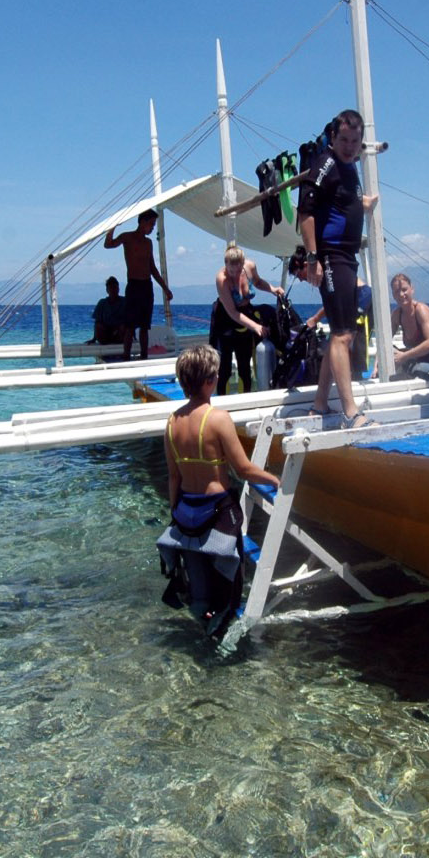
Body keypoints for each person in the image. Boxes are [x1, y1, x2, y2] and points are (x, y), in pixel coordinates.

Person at [157, 344, 281, 636]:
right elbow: (243, 470)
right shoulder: (218, 419)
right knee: (229, 578)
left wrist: (175, 514)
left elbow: (173, 477)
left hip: (186, 511)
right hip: (218, 512)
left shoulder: (172, 422)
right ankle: (224, 629)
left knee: (199, 585)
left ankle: (201, 623)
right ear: (209, 380)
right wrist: (275, 480)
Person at [298, 109, 378, 428]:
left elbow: (343, 204)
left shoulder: (349, 168)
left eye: (355, 141)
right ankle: (350, 411)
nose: (349, 146)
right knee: (343, 335)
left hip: (346, 256)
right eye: (343, 139)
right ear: (333, 137)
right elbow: (305, 212)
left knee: (340, 335)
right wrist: (314, 258)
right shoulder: (326, 164)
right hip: (331, 256)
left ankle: (319, 405)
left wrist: (364, 205)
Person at [210, 245, 280, 394]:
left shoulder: (250, 267)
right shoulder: (221, 279)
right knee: (225, 369)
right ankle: (223, 401)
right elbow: (233, 312)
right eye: (231, 271)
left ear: (243, 264)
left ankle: (246, 398)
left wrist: (272, 289)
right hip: (226, 318)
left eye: (237, 270)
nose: (234, 274)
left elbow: (258, 282)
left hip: (246, 315)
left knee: (244, 365)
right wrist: (255, 326)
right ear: (225, 265)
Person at [104, 208, 173, 360]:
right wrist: (113, 226)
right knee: (129, 326)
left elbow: (153, 269)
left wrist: (166, 289)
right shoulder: (127, 237)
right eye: (152, 224)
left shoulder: (148, 243)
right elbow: (108, 244)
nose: (153, 227)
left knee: (144, 326)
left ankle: (144, 356)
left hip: (146, 286)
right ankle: (126, 357)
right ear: (143, 222)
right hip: (133, 285)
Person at [388, 272, 429, 377]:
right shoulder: (396, 315)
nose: (401, 295)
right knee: (391, 353)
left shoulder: (421, 310)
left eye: (404, 290)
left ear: (412, 289)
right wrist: (376, 366)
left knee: (414, 369)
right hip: (416, 361)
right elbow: (384, 341)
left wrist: (404, 356)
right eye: (397, 291)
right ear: (393, 295)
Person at [90, 276, 128, 347]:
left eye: (115, 288)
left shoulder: (124, 302)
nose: (113, 290)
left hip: (119, 333)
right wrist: (94, 338)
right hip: (105, 333)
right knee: (98, 325)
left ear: (118, 289)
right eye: (111, 288)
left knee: (124, 326)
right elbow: (97, 322)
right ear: (107, 290)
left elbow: (130, 320)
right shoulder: (102, 303)